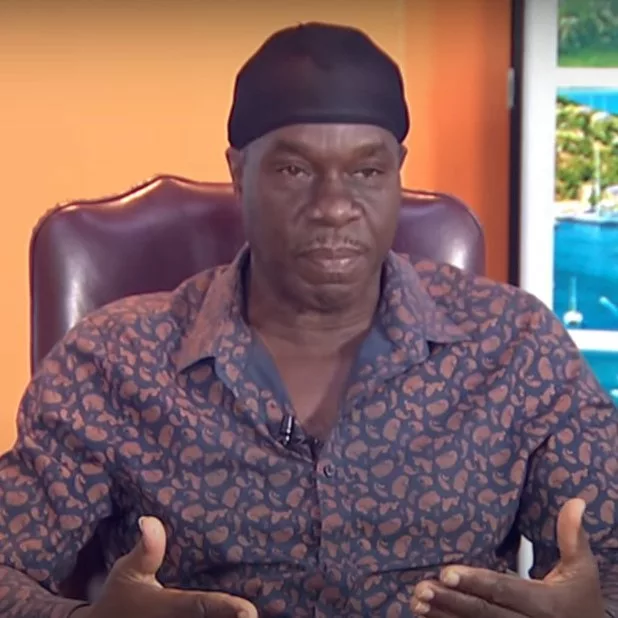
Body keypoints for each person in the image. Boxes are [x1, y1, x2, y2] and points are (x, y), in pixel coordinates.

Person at [0, 21, 616, 618]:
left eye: (367, 172)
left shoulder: (514, 346)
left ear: (398, 170)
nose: (334, 206)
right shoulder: (114, 361)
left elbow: (609, 563)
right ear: (239, 172)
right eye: (294, 170)